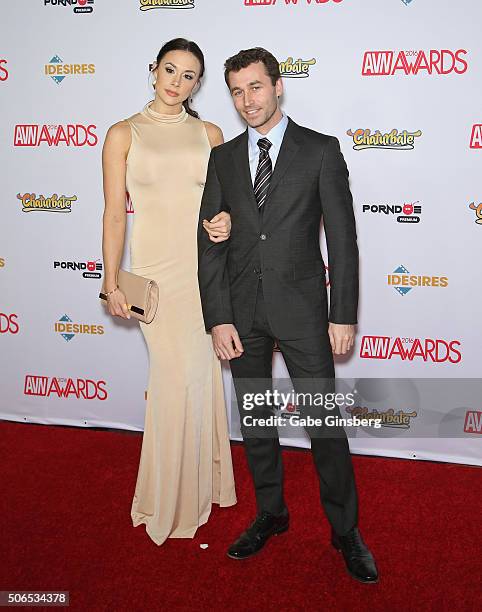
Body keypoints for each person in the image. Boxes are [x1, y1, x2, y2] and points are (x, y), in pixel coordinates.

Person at [197, 47, 378, 583]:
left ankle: (345, 531)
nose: (247, 100)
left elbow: (343, 238)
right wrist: (218, 317)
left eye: (255, 87)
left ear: (278, 87)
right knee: (256, 422)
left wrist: (342, 312)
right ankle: (271, 514)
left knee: (324, 425)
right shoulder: (224, 158)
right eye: (235, 90)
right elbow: (210, 241)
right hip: (242, 314)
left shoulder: (320, 150)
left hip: (302, 312)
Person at [102, 38, 237, 546]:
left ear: (198, 84)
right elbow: (115, 213)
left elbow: (226, 208)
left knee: (202, 377)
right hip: (156, 277)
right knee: (173, 379)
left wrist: (225, 222)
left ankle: (207, 485)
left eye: (188, 76)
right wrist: (111, 279)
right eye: (170, 70)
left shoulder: (210, 133)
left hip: (205, 273)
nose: (176, 82)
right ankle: (168, 497)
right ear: (153, 70)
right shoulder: (123, 133)